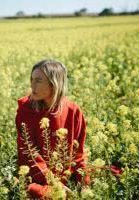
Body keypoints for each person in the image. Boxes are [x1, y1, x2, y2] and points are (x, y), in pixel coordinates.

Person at [15, 59, 90, 199]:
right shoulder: (25, 110)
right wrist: (55, 185)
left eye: (38, 80)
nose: (32, 85)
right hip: (38, 178)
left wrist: (83, 185)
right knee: (29, 190)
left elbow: (78, 153)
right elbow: (29, 156)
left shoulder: (73, 110)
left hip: (67, 176)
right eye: (31, 79)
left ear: (53, 84)